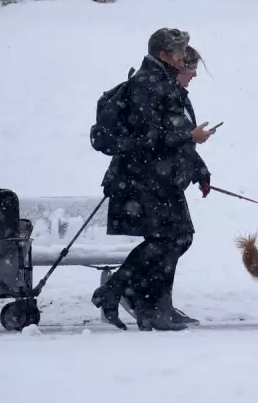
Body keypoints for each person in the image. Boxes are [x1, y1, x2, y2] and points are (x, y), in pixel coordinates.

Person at [92, 29, 216, 331]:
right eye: (180, 52)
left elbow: (171, 136)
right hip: (142, 179)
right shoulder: (148, 85)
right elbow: (150, 138)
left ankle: (148, 303)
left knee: (176, 239)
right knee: (171, 239)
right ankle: (128, 296)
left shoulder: (163, 83)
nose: (184, 57)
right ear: (164, 55)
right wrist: (189, 136)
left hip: (159, 179)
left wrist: (198, 168)